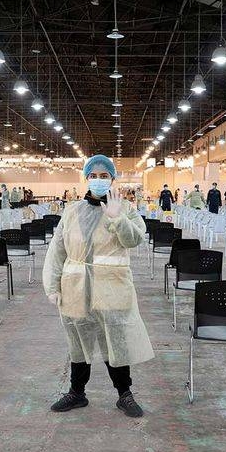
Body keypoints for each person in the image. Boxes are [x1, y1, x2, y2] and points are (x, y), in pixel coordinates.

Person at [43, 154, 153, 418]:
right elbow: (57, 251)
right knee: (77, 344)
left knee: (115, 342)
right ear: (86, 178)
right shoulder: (71, 212)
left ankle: (124, 394)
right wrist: (53, 286)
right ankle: (77, 392)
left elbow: (134, 240)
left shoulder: (126, 209)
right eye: (94, 175)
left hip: (111, 288)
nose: (99, 180)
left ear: (113, 179)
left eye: (105, 176)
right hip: (75, 288)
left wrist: (117, 219)